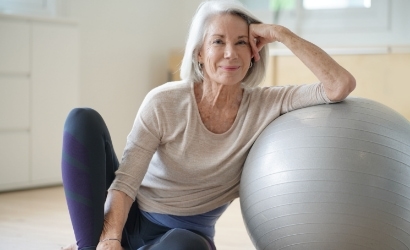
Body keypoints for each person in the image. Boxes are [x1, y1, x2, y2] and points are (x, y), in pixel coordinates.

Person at [61, 0, 356, 249]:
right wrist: (111, 239)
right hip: (129, 215)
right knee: (81, 119)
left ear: (254, 53)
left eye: (242, 42)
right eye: (218, 41)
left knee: (186, 245)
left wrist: (281, 33)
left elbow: (339, 85)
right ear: (199, 53)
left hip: (185, 238)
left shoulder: (268, 104)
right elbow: (126, 182)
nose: (230, 53)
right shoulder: (164, 102)